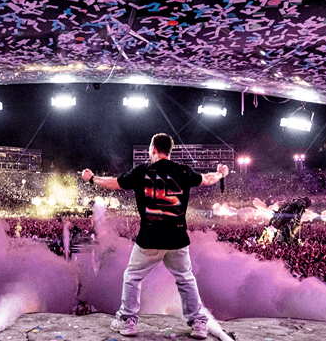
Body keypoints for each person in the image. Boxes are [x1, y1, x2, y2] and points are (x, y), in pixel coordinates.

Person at [82, 133, 229, 339]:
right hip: (177, 239)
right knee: (186, 279)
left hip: (149, 239)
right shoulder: (183, 171)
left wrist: (92, 179)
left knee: (133, 277)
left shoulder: (143, 171)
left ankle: (128, 321)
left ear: (152, 149)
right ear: (169, 150)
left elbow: (115, 183)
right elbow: (206, 179)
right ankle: (198, 323)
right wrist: (221, 174)